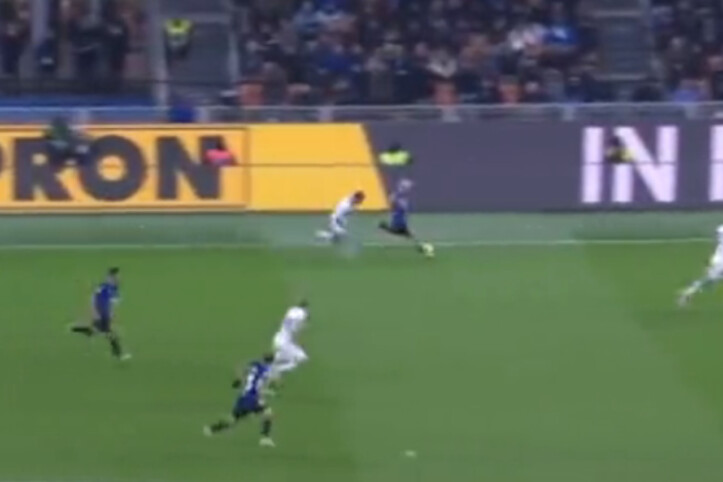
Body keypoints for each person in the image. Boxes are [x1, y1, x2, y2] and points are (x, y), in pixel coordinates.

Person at [203, 353, 276, 447]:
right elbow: (260, 386)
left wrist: (239, 380)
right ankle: (265, 438)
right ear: (272, 361)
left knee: (233, 420)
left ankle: (212, 429)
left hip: (243, 397)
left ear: (263, 358)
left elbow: (240, 368)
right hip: (251, 398)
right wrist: (269, 392)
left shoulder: (254, 364)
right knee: (268, 412)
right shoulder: (267, 371)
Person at [69, 268, 131, 361]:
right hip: (101, 314)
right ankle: (118, 354)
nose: (119, 279)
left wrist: (112, 315)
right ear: (111, 278)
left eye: (119, 277)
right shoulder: (103, 288)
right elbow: (94, 298)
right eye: (117, 277)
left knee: (98, 331)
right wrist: (95, 312)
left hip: (105, 314)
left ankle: (75, 329)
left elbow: (112, 305)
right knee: (110, 333)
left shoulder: (115, 290)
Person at [379, 179, 433, 257]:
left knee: (405, 233)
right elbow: (396, 203)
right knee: (404, 233)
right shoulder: (398, 195)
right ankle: (421, 247)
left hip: (399, 218)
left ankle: (420, 247)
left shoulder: (400, 196)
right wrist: (397, 204)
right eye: (408, 187)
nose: (409, 189)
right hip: (399, 219)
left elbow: (395, 203)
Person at [679, 225, 723, 306]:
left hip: (717, 259)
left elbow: (715, 243)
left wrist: (711, 259)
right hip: (720, 262)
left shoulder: (720, 229)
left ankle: (691, 289)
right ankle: (690, 290)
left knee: (711, 281)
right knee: (711, 282)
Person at [269, 301, 309, 383]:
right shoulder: (301, 315)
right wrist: (300, 344)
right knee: (302, 358)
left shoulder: (291, 310)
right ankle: (276, 370)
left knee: (284, 356)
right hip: (285, 343)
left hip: (278, 338)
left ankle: (272, 363)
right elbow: (296, 332)